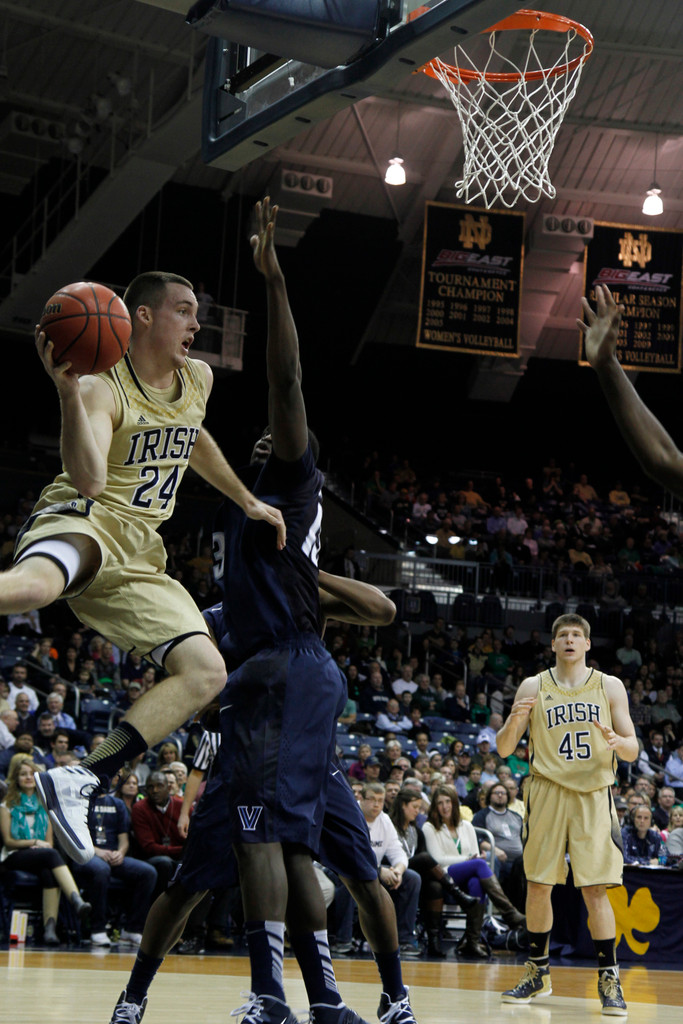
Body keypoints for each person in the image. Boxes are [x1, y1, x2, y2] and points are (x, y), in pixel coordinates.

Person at [108, 200, 415, 1024]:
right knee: (216, 870)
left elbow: (285, 382)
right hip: (254, 695)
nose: (259, 441)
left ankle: (291, 995)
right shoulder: (243, 530)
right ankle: (158, 998)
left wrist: (274, 282)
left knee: (283, 846)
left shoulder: (290, 488)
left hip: (286, 680)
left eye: (272, 442)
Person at [3, 268, 285, 865]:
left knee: (206, 672)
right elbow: (89, 481)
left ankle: (83, 775)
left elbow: (191, 436)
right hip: (85, 518)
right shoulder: (101, 387)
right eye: (184, 310)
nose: (197, 323)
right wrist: (67, 393)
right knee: (34, 588)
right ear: (143, 316)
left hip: (139, 552)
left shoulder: (198, 377)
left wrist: (246, 499)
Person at [497, 612, 637, 1014]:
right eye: (563, 635)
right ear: (554, 644)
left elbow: (633, 749)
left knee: (595, 889)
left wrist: (618, 742)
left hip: (593, 793)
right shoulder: (533, 685)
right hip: (546, 791)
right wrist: (514, 721)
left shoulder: (609, 685)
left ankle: (609, 978)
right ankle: (537, 971)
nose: (570, 640)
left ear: (587, 644)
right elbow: (504, 748)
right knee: (539, 885)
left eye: (577, 635)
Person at [422, 784, 524, 959]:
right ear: (435, 806)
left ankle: (472, 942)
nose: (445, 806)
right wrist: (468, 859)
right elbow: (438, 859)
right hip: (443, 875)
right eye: (440, 803)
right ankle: (509, 913)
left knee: (477, 881)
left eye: (448, 802)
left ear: (454, 804)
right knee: (479, 865)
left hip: (466, 875)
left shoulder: (467, 826)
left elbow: (475, 854)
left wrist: (472, 859)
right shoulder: (429, 827)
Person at [0, 755, 90, 945]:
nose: (28, 777)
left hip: (41, 855)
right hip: (13, 856)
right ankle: (76, 899)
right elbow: (8, 842)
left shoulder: (45, 805)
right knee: (50, 855)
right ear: (16, 779)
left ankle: (50, 930)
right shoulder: (6, 805)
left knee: (49, 872)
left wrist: (40, 846)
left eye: (32, 773)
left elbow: (48, 842)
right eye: (23, 774)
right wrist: (34, 842)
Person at [389, 788, 476, 958]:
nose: (418, 811)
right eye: (414, 807)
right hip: (394, 869)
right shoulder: (390, 826)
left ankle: (434, 943)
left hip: (414, 876)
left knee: (434, 886)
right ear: (403, 806)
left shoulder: (415, 830)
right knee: (424, 858)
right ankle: (457, 893)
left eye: (419, 807)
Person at [72, 786, 157, 947]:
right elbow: (75, 836)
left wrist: (121, 852)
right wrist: (97, 851)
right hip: (86, 855)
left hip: (113, 855)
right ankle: (98, 929)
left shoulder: (117, 804)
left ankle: (132, 929)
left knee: (148, 872)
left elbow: (123, 838)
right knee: (101, 870)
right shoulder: (80, 802)